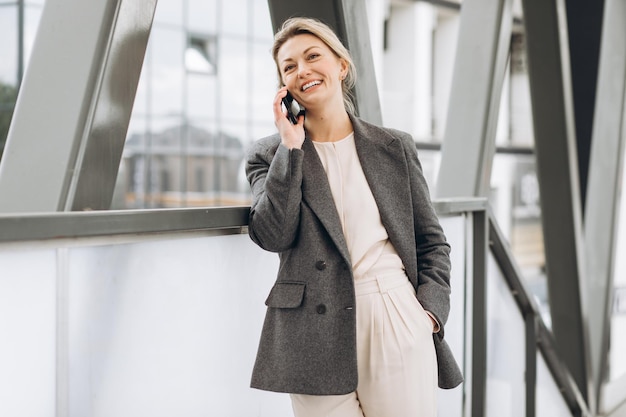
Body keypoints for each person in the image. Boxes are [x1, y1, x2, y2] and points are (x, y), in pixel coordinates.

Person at [245, 16, 463, 417]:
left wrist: (427, 314)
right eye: (289, 66)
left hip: (394, 315)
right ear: (283, 84)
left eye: (313, 57)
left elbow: (431, 240)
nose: (302, 71)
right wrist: (291, 150)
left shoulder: (393, 146)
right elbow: (272, 233)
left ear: (341, 65)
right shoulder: (268, 154)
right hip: (312, 329)